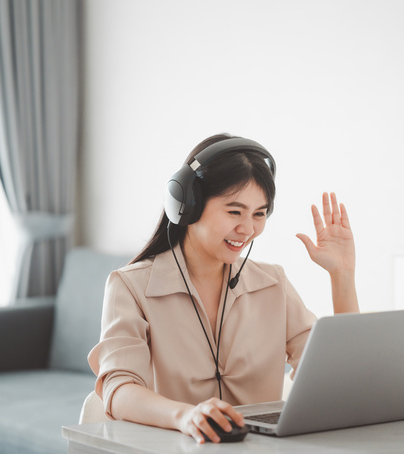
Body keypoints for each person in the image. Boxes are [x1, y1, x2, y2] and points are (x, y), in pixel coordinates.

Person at [88, 134, 359, 444]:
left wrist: (342, 275)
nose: (248, 229)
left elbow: (340, 380)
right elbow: (118, 389)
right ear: (187, 206)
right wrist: (185, 416)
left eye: (259, 213)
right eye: (234, 211)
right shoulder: (131, 286)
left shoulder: (273, 284)